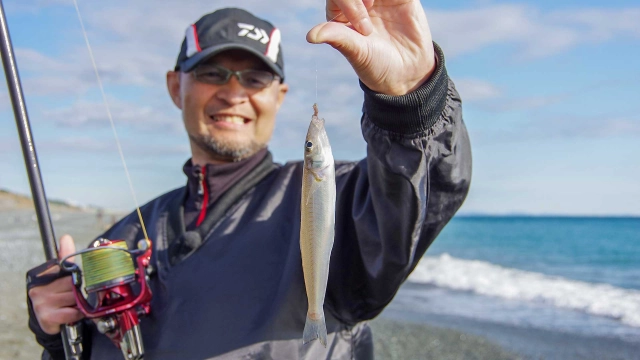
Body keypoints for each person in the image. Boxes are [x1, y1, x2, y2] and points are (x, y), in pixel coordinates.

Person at [26, 1, 471, 359]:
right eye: (211, 73)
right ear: (174, 86)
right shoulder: (120, 238)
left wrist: (413, 104)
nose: (234, 91)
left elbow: (415, 191)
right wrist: (58, 332)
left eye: (255, 77)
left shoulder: (350, 200)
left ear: (280, 95)